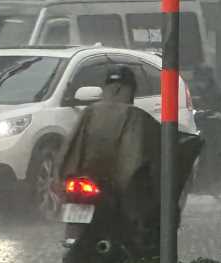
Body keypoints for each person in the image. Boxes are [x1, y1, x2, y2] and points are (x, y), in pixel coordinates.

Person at [58, 65, 163, 251]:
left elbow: (70, 148)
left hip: (87, 179)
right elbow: (148, 154)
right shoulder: (136, 116)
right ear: (130, 90)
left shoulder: (89, 112)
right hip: (118, 186)